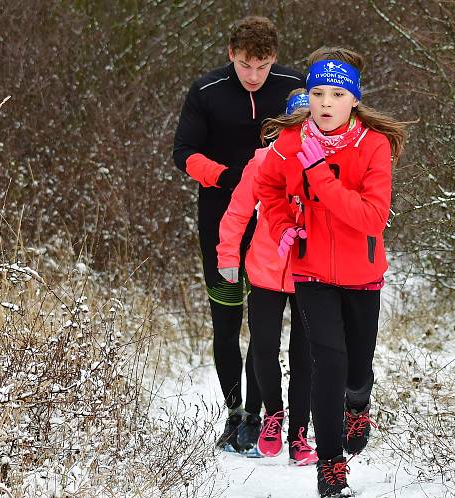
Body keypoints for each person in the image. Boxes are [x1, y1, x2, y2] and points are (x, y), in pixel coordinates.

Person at [256, 47, 408, 497]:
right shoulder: (289, 142)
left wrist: (319, 174)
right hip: (312, 270)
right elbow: (269, 185)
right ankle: (330, 464)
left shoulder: (373, 145)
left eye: (337, 94)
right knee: (328, 363)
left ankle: (357, 406)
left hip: (362, 273)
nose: (324, 103)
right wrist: (283, 224)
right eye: (317, 92)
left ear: (353, 101)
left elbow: (370, 218)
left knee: (356, 371)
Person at [172, 15, 304, 453]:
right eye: (246, 64)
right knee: (227, 322)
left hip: (275, 223)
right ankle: (234, 413)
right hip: (219, 215)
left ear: (275, 60)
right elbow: (183, 152)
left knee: (266, 326)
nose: (254, 75)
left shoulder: (293, 86)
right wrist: (227, 177)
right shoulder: (206, 90)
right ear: (231, 55)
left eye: (262, 66)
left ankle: (259, 413)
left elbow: (321, 134)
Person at [216, 89, 317, 466]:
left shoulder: (326, 162)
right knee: (263, 347)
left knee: (304, 355)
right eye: (297, 122)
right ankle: (271, 416)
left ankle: (299, 434)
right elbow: (238, 212)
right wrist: (228, 254)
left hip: (311, 271)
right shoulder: (261, 162)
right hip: (265, 269)